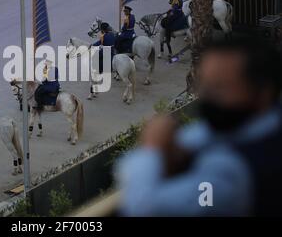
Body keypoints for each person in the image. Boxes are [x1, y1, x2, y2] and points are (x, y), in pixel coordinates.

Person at [116, 37, 282, 216]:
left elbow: (143, 207)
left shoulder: (229, 171)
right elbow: (200, 136)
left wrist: (152, 148)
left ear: (263, 91)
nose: (205, 95)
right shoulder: (242, 124)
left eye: (220, 87)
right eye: (205, 85)